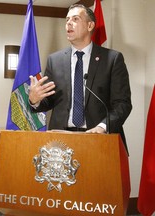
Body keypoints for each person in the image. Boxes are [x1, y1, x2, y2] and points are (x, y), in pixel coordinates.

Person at [29, 4, 132, 151]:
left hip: (98, 139)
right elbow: (49, 101)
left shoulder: (112, 59)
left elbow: (123, 103)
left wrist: (103, 127)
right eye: (67, 20)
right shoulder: (55, 60)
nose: (69, 23)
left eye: (75, 19)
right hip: (61, 141)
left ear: (90, 25)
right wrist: (35, 100)